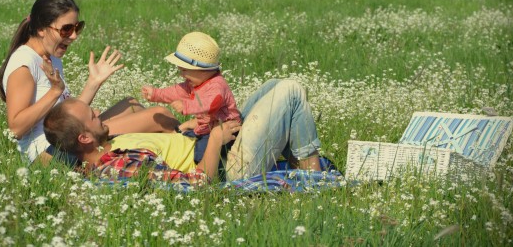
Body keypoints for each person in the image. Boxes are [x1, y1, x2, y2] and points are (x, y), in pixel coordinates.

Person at [0, 0, 179, 164]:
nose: (74, 36)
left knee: (131, 105)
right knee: (158, 115)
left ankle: (164, 158)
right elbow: (16, 129)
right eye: (66, 29)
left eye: (77, 27)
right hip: (46, 153)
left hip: (64, 139)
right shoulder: (24, 64)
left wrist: (94, 82)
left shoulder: (51, 57)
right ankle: (194, 155)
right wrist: (54, 92)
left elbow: (67, 117)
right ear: (41, 29)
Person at [44, 79, 323, 184]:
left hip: (212, 144)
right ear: (84, 138)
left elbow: (168, 146)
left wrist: (184, 130)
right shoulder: (121, 165)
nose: (98, 113)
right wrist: (214, 140)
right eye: (92, 116)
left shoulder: (110, 142)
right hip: (231, 166)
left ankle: (302, 165)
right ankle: (313, 176)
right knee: (290, 92)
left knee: (273, 85)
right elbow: (200, 184)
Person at [141, 32, 241, 163]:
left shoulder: (217, 85)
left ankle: (218, 172)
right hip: (207, 128)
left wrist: (186, 106)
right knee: (188, 138)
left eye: (184, 70)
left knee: (200, 155)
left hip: (226, 130)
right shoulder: (195, 82)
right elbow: (176, 92)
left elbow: (211, 103)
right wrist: (155, 94)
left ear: (202, 69)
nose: (181, 74)